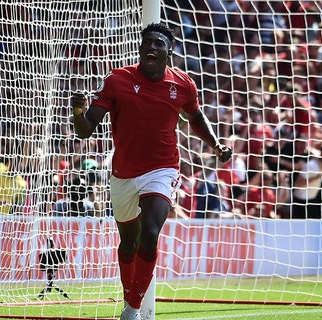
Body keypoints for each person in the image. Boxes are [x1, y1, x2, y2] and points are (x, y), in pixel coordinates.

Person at [70, 23, 232, 320]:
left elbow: (195, 118)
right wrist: (79, 112)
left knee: (151, 233)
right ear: (141, 49)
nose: (152, 48)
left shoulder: (183, 84)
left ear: (168, 52)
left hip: (163, 168)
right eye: (148, 43)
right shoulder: (117, 80)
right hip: (123, 174)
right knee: (129, 243)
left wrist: (217, 145)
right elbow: (85, 131)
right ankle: (130, 300)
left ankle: (131, 310)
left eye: (159, 44)